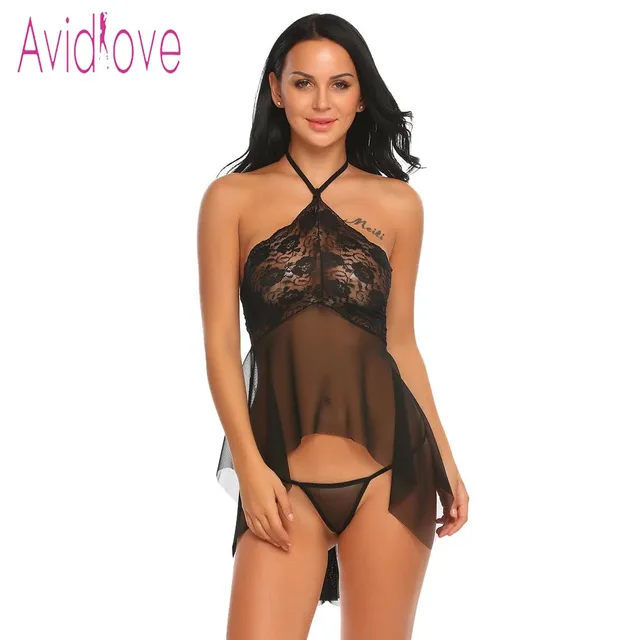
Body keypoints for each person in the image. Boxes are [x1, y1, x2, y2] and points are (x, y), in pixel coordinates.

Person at [197, 13, 469, 640]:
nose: (322, 103)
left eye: (340, 84)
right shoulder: (230, 199)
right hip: (280, 477)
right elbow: (219, 344)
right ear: (276, 90)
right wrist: (250, 467)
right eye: (304, 83)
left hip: (392, 473)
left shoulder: (399, 205)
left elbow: (400, 342)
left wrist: (447, 460)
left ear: (361, 95)